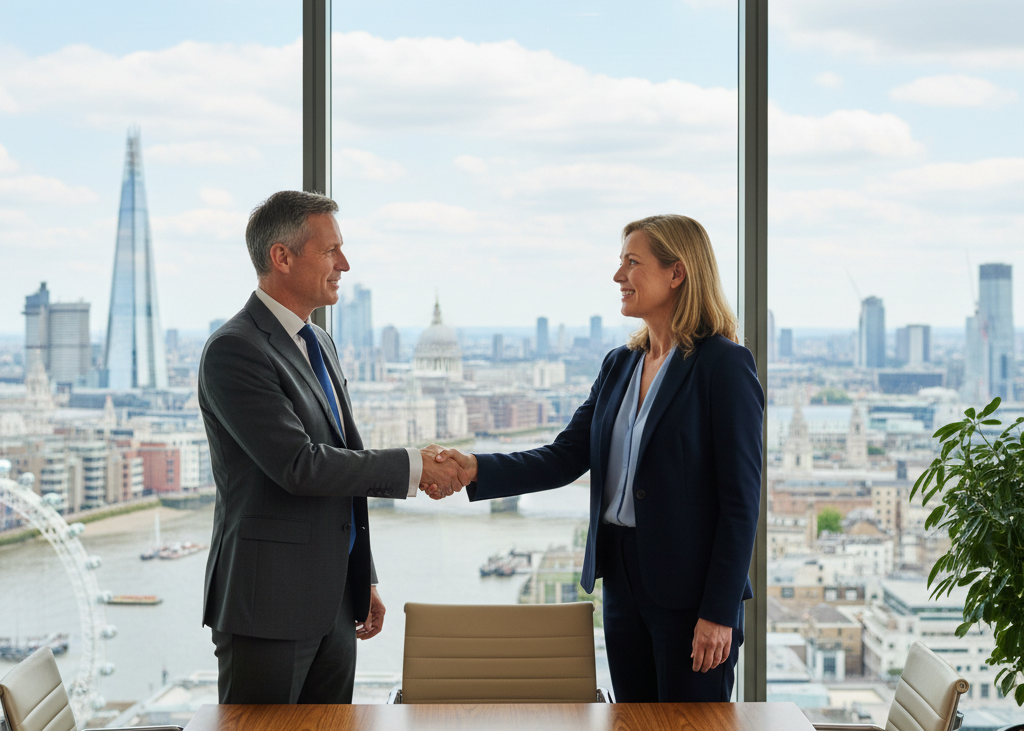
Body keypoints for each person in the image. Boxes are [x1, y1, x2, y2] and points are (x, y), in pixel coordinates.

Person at [432, 214, 763, 702]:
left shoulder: (723, 366)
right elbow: (565, 457)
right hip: (623, 582)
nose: (618, 276)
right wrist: (475, 468)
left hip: (692, 594)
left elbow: (741, 502)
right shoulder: (620, 364)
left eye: (632, 262)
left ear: (678, 273)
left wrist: (718, 612)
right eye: (619, 262)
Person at [198, 190, 464, 704]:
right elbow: (301, 466)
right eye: (330, 251)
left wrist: (360, 576)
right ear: (282, 257)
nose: (345, 263)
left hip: (335, 603)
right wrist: (415, 465)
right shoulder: (236, 349)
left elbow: (343, 458)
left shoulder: (318, 342)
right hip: (268, 607)